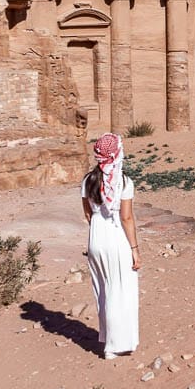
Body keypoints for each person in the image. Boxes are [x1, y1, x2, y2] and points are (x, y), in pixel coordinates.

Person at [81, 133, 141, 359]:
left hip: (96, 237)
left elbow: (88, 214)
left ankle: (109, 339)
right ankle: (114, 346)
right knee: (121, 291)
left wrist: (98, 229)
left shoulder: (88, 181)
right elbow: (126, 218)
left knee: (103, 291)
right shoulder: (123, 182)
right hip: (117, 239)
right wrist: (134, 249)